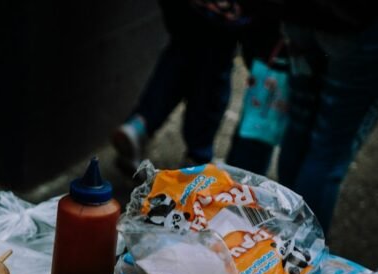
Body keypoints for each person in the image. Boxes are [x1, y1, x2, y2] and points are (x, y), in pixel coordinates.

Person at [268, 0, 378, 233]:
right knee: (327, 150)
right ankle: (301, 254)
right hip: (367, 24)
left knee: (302, 128)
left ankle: (281, 242)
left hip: (301, 16)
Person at [111, 0, 280, 174]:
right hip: (223, 12)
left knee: (184, 46)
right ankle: (197, 158)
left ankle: (140, 123)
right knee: (215, 65)